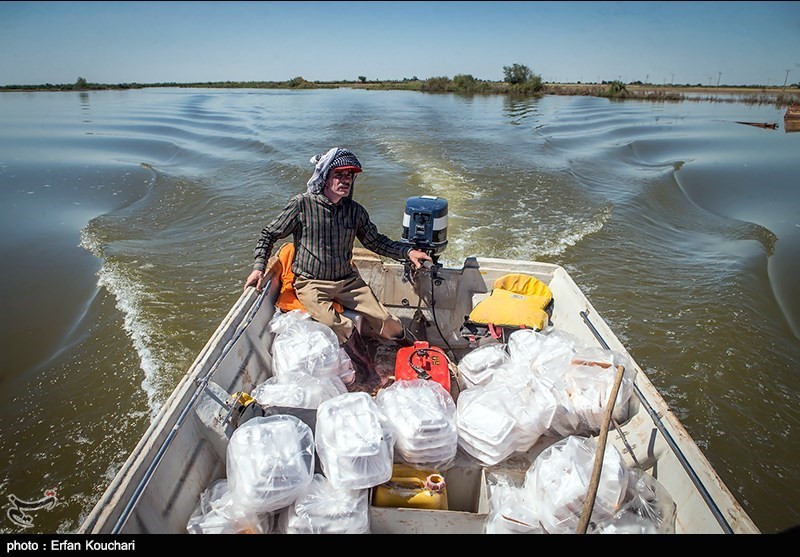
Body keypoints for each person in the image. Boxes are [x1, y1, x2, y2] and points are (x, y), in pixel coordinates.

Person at [244, 147, 432, 390]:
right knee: (335, 323)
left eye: (350, 176)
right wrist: (260, 267)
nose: (345, 180)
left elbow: (376, 242)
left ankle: (412, 352)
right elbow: (269, 234)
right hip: (312, 283)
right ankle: (366, 369)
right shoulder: (302, 205)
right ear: (324, 176)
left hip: (348, 280)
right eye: (339, 174)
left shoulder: (355, 212)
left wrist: (407, 252)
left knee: (387, 319)